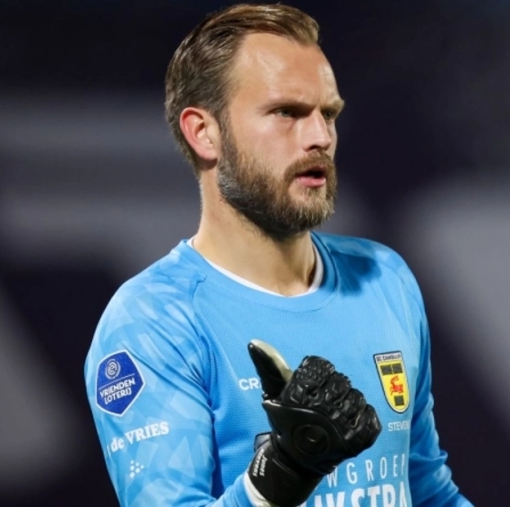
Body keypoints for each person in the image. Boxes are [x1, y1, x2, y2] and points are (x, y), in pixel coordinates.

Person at [83, 4, 472, 506]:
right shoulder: (152, 322)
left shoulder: (384, 278)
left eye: (328, 113)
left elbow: (427, 490)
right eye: (286, 112)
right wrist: (283, 472)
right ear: (204, 132)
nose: (320, 137)